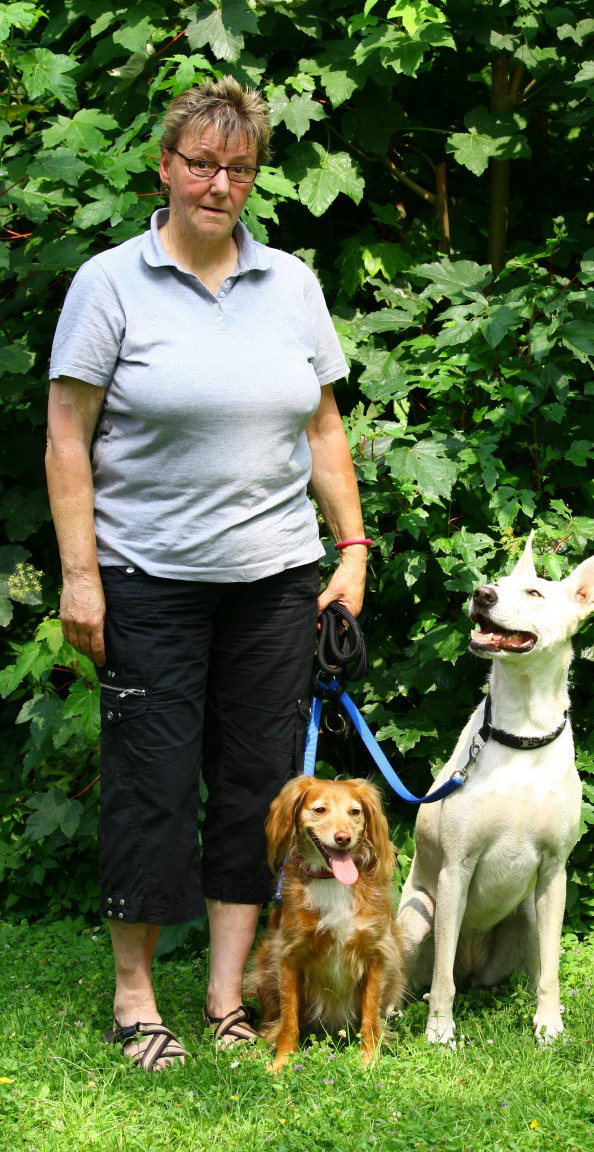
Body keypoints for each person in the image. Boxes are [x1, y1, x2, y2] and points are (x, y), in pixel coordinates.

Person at [45, 76, 370, 1071]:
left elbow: (321, 427)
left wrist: (351, 549)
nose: (217, 183)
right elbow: (67, 433)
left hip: (275, 582)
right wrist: (81, 575)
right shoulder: (110, 282)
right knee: (149, 785)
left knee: (257, 792)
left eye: (237, 168)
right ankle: (137, 1001)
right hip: (147, 578)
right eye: (201, 163)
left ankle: (229, 998)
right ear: (166, 166)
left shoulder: (292, 285)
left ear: (252, 179)